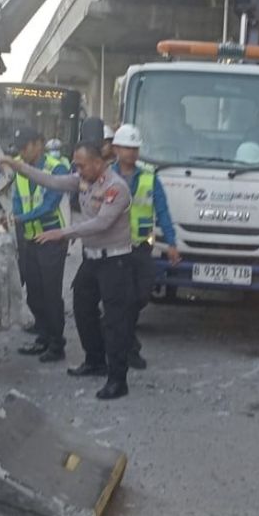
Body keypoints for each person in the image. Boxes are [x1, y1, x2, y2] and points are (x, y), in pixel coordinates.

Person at [0, 141, 136, 400]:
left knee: (115, 321)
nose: (78, 170)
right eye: (76, 166)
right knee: (83, 308)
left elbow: (101, 223)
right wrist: (18, 166)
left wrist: (63, 232)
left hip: (115, 262)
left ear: (98, 163)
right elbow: (51, 181)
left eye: (82, 165)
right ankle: (95, 360)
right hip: (92, 259)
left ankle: (118, 380)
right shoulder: (86, 181)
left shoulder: (115, 187)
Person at [110, 124, 181, 370]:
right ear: (116, 149)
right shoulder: (105, 175)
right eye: (127, 148)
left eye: (135, 148)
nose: (131, 152)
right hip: (113, 248)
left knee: (140, 296)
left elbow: (162, 211)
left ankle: (123, 339)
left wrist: (171, 242)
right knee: (121, 299)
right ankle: (128, 348)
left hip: (140, 248)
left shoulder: (150, 177)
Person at [10, 129, 70, 363]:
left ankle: (57, 344)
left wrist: (23, 218)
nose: (22, 152)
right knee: (34, 293)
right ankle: (43, 336)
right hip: (31, 239)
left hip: (53, 239)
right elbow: (17, 199)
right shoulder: (21, 169)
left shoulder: (57, 168)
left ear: (39, 144)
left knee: (51, 294)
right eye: (20, 148)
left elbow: (50, 204)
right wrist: (16, 216)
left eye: (26, 147)